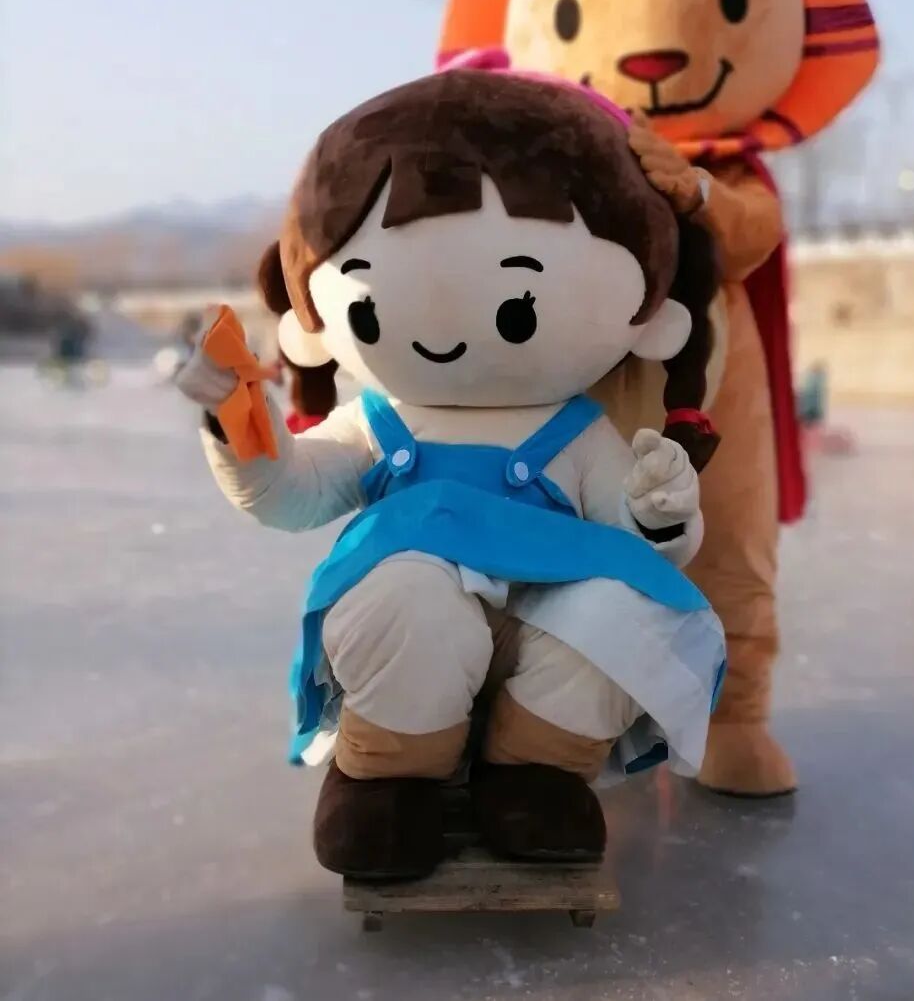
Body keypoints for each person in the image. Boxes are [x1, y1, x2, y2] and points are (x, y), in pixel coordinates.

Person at [176, 64, 726, 880]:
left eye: (518, 306)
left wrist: (659, 510)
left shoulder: (579, 433)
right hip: (417, 648)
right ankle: (389, 775)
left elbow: (635, 539)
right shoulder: (375, 421)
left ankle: (536, 772)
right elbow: (290, 492)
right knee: (407, 595)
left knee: (626, 603)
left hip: (545, 640)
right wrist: (235, 424)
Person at [443, 0, 879, 795]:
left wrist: (696, 193)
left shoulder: (731, 173)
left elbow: (752, 233)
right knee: (562, 546)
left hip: (713, 400)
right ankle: (551, 719)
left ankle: (733, 715)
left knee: (727, 546)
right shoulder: (548, 167)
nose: (649, 51)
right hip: (571, 396)